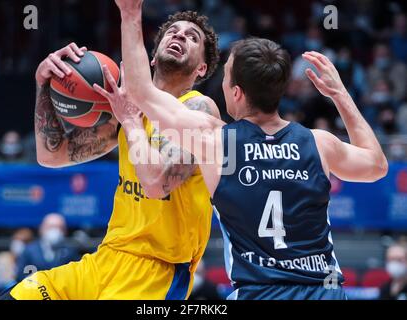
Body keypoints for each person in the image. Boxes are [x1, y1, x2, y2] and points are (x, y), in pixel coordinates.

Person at [98, 0, 389, 300]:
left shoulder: (215, 141)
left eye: (225, 77)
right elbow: (377, 166)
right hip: (323, 292)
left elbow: (141, 91)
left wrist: (130, 13)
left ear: (235, 92)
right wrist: (340, 94)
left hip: (258, 292)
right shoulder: (319, 143)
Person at [0, 10, 220, 299]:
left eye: (192, 37)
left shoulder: (198, 111)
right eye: (173, 31)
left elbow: (155, 184)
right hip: (107, 259)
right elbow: (51, 156)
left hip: (156, 273)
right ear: (150, 59)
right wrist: (43, 83)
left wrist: (129, 121)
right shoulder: (124, 109)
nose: (180, 35)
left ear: (201, 69)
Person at [15, 213, 79, 281]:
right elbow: (21, 276)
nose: (55, 231)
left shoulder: (70, 252)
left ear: (65, 231)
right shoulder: (30, 250)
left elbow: (75, 276)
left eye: (59, 227)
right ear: (41, 228)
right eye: (51, 227)